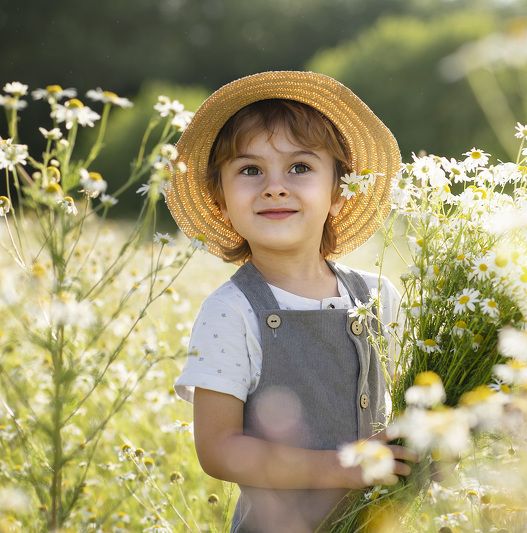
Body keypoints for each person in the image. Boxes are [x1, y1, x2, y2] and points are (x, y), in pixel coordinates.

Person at [166, 71, 415, 532]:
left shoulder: (380, 296)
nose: (274, 186)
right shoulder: (231, 311)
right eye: (249, 170)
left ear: (340, 193)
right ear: (220, 201)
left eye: (299, 168)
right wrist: (342, 469)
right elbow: (219, 450)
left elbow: (412, 405)